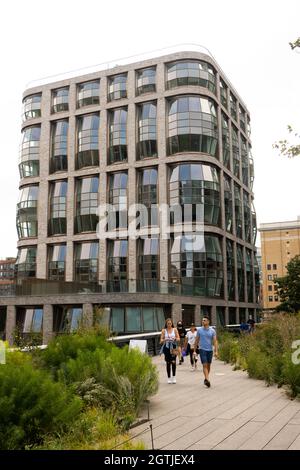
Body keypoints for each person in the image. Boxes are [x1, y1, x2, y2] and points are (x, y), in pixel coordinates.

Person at [194, 317, 218, 388]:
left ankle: (206, 379)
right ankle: (207, 380)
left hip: (210, 350)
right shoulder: (199, 330)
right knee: (204, 365)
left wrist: (216, 351)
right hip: (202, 350)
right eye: (202, 320)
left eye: (204, 320)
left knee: (208, 365)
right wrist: (194, 351)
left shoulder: (212, 331)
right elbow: (196, 341)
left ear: (208, 321)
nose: (203, 321)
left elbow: (215, 341)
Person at [160, 318, 180, 384]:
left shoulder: (175, 329)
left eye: (170, 323)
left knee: (173, 361)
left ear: (172, 323)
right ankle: (169, 377)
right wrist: (165, 339)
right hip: (166, 347)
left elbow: (178, 338)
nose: (169, 325)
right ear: (166, 324)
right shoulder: (163, 330)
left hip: (173, 347)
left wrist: (175, 338)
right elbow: (161, 340)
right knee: (168, 362)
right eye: (168, 323)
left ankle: (174, 377)